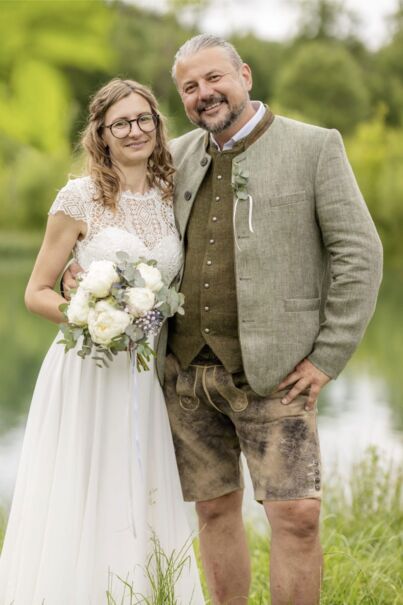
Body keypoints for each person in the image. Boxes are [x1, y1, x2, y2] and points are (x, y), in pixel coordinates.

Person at [63, 35, 383, 605]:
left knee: (298, 518)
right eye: (190, 87)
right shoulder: (176, 156)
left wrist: (328, 357)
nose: (204, 94)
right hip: (184, 375)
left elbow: (360, 255)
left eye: (215, 79)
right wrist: (75, 273)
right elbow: (123, 221)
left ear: (246, 75)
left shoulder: (314, 147)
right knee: (212, 511)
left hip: (279, 372)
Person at [0, 79, 204, 605]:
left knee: (138, 486)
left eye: (144, 120)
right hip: (89, 368)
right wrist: (90, 316)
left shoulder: (172, 194)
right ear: (102, 134)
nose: (135, 131)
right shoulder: (78, 198)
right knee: (84, 484)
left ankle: (141, 592)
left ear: (158, 127)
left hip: (145, 370)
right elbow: (36, 292)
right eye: (121, 123)